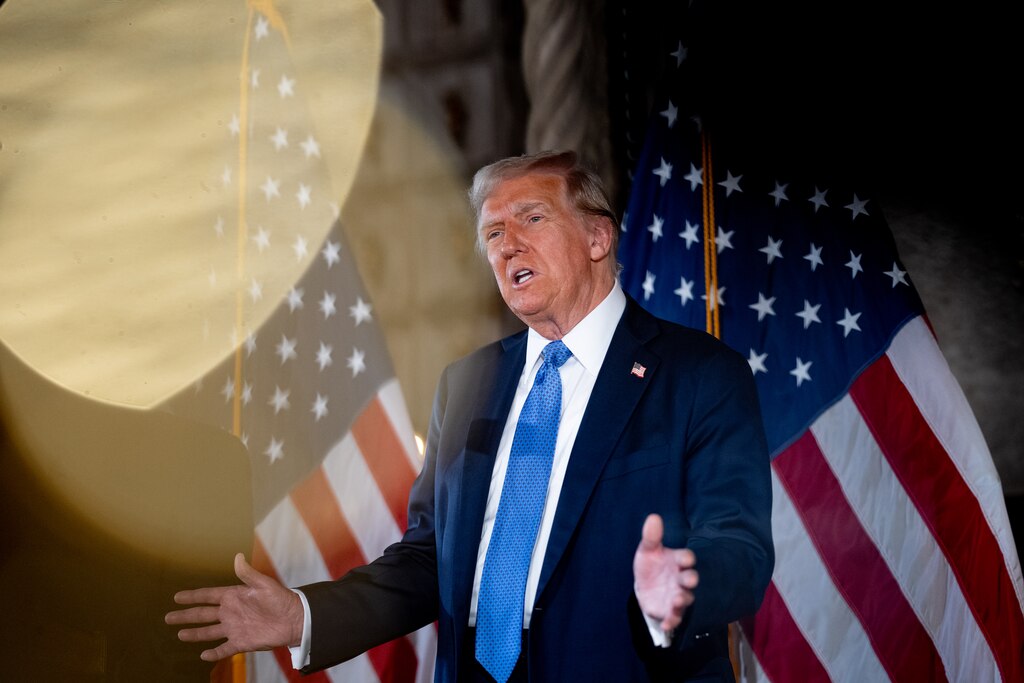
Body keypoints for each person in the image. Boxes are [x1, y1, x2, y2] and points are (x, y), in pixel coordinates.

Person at [166, 150, 774, 682]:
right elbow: (430, 559)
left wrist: (683, 584)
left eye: (532, 218)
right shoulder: (467, 385)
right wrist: (306, 615)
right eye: (492, 234)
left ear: (597, 238)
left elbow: (740, 547)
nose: (508, 244)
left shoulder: (700, 375)